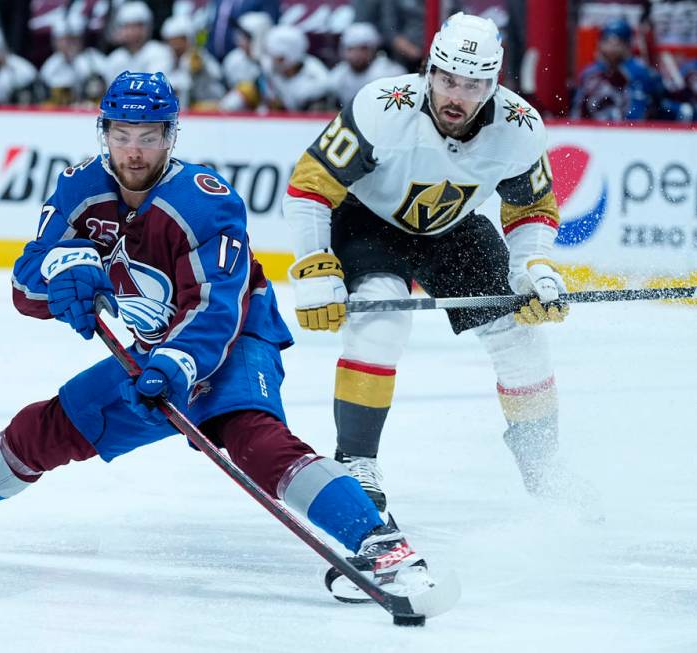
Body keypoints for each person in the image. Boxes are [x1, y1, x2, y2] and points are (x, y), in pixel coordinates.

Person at [0, 71, 452, 608]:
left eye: (149, 136)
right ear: (104, 132)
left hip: (235, 338)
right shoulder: (80, 188)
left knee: (253, 439)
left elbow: (216, 307)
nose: (134, 151)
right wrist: (63, 272)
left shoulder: (205, 201)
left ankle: (381, 544)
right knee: (49, 426)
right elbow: (27, 283)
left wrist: (178, 365)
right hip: (153, 348)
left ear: (171, 136)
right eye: (122, 136)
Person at [282, 13, 596, 513]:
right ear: (429, 70)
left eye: (473, 85)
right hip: (367, 219)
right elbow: (309, 185)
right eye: (447, 78)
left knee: (518, 332)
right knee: (381, 318)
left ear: (494, 83)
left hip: (454, 228)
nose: (456, 95)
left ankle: (543, 464)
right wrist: (315, 263)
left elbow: (531, 208)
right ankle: (356, 462)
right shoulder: (381, 106)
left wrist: (532, 267)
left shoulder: (520, 127)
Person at [570, 18, 665, 121]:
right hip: (595, 129)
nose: (612, 47)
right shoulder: (590, 73)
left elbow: (642, 109)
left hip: (631, 130)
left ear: (627, 44)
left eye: (617, 42)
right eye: (607, 41)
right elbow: (577, 110)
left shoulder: (640, 71)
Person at [329, 22, 405, 109]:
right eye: (351, 49)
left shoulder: (391, 73)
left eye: (362, 49)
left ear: (373, 50)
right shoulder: (339, 74)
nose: (356, 54)